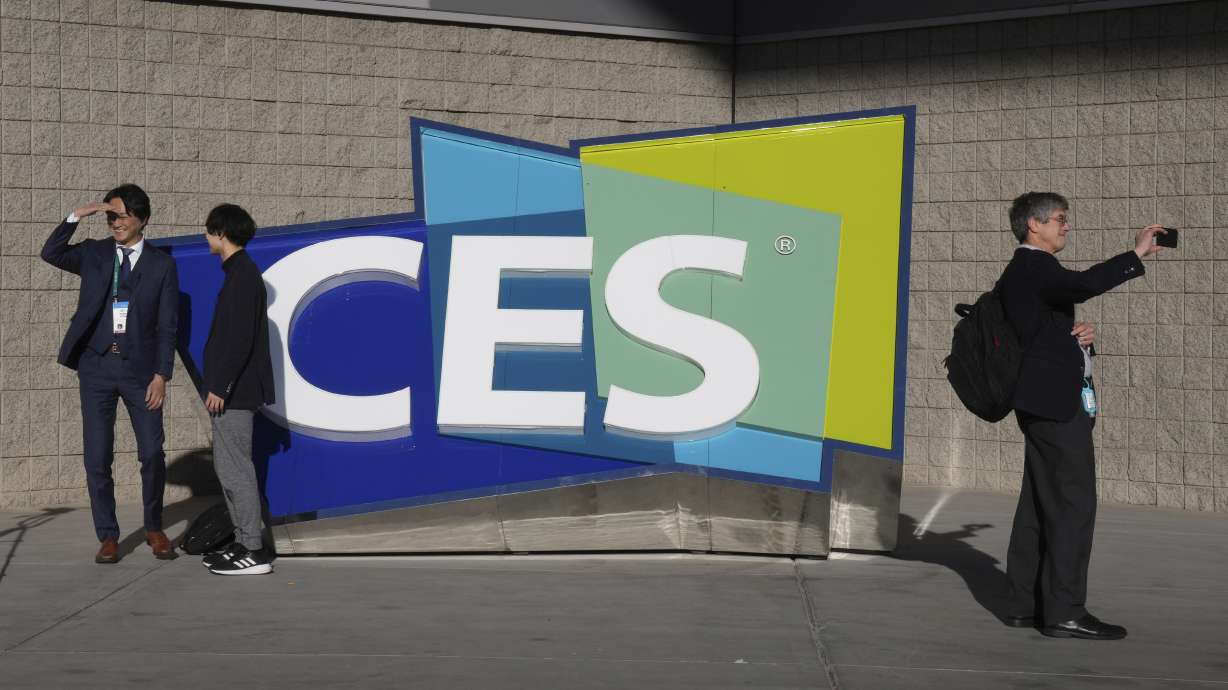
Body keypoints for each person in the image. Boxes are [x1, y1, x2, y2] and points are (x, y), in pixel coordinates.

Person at [998, 191, 1165, 640]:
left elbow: (1042, 332)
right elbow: (1082, 284)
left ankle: (1022, 604)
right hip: (1055, 405)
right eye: (1059, 219)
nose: (1066, 226)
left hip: (1038, 400)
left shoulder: (1024, 273)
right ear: (1034, 226)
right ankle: (1065, 611)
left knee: (1038, 500)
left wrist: (1080, 338)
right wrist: (1136, 252)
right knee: (1073, 503)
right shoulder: (1034, 265)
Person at [41, 184, 179, 564]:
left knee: (152, 452)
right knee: (97, 457)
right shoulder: (95, 253)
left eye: (121, 215)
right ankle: (108, 535)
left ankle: (153, 526)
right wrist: (76, 216)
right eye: (110, 216)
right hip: (96, 367)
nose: (114, 222)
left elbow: (168, 326)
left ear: (142, 219)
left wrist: (161, 375)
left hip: (141, 373)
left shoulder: (162, 265)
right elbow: (50, 252)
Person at [197, 204, 276, 576]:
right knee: (227, 468)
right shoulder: (238, 274)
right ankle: (242, 541)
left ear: (221, 234)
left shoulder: (243, 276)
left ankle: (254, 550)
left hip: (235, 393)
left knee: (236, 470)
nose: (206, 237)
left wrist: (220, 386)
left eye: (209, 231)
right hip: (232, 391)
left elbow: (239, 340)